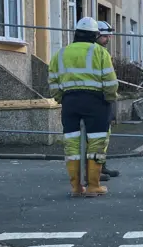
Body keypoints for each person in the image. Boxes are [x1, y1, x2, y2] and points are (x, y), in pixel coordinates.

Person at [48, 17, 119, 198]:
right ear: (95, 35)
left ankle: (76, 188)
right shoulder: (100, 53)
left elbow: (53, 81)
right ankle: (93, 186)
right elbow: (110, 82)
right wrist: (109, 99)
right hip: (95, 102)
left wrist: (60, 98)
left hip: (70, 101)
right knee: (96, 144)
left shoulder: (61, 53)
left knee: (71, 144)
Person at [96, 21, 120, 182]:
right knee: (97, 137)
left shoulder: (101, 51)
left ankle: (100, 166)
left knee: (104, 136)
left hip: (101, 99)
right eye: (105, 36)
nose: (108, 39)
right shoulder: (97, 52)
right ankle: (94, 169)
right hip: (98, 99)